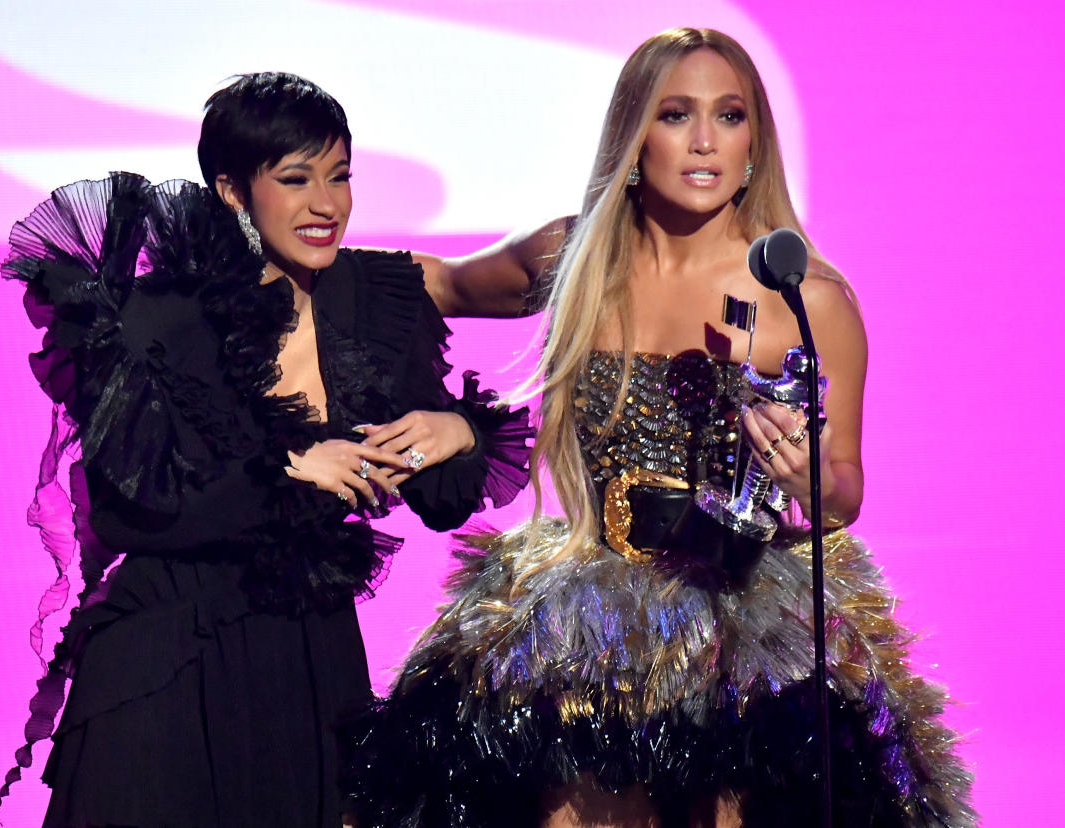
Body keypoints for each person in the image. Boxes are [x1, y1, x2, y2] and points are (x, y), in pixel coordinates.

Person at [346, 29, 975, 827]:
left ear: (756, 144)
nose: (706, 141)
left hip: (738, 621)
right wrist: (281, 252)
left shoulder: (808, 299)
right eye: (678, 114)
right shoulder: (573, 256)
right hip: (582, 613)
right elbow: (437, 283)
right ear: (636, 136)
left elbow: (843, 489)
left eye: (730, 115)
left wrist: (797, 472)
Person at [0, 72, 531, 827]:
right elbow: (127, 516)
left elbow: (442, 503)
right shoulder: (160, 316)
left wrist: (459, 431)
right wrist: (283, 468)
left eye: (340, 176)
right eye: (296, 179)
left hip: (307, 660)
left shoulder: (374, 297)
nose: (327, 204)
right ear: (233, 192)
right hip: (170, 659)